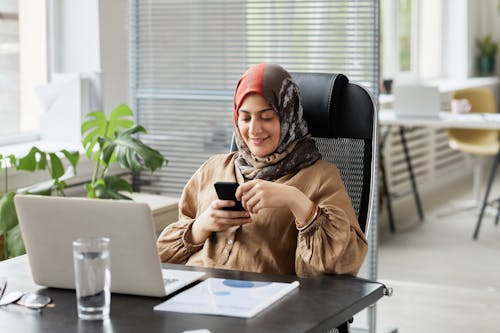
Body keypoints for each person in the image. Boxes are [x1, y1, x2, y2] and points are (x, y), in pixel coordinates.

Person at [157, 63, 367, 277]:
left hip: (266, 302)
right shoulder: (212, 168)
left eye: (267, 117)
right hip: (197, 294)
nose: (254, 129)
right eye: (245, 118)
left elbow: (341, 265)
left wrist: (296, 200)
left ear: (288, 117)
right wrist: (200, 227)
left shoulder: (320, 177)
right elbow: (161, 256)